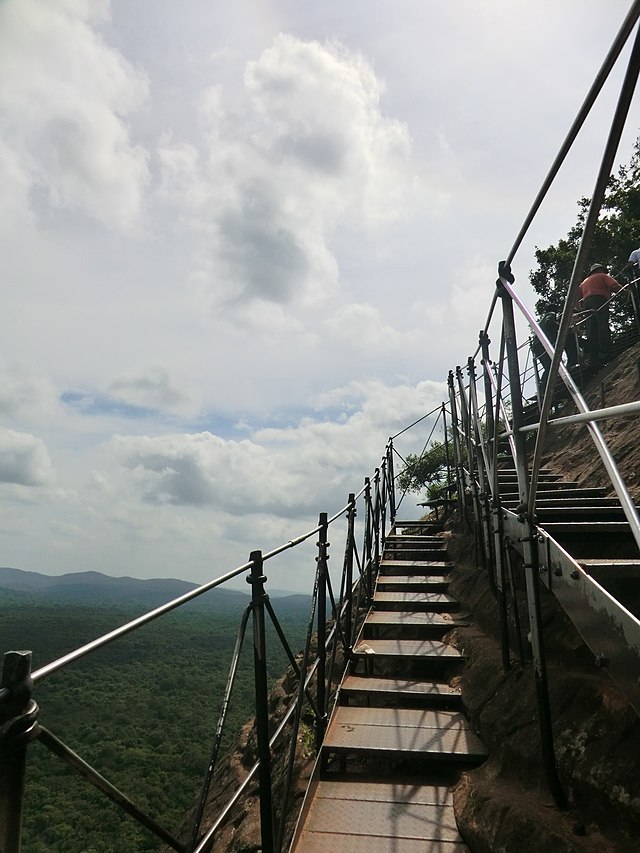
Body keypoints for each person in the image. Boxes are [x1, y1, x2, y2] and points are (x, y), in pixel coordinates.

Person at [577, 263, 621, 366]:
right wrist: (625, 291)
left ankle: (593, 356)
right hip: (599, 300)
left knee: (591, 330)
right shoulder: (602, 276)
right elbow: (614, 286)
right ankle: (605, 352)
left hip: (586, 304)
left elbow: (575, 297)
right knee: (602, 325)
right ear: (600, 270)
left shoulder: (583, 283)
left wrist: (579, 310)